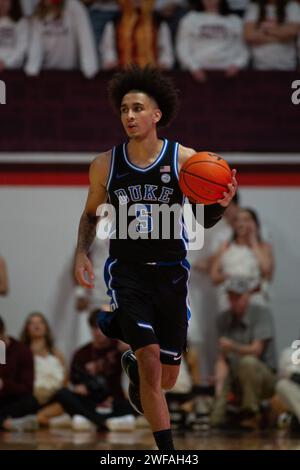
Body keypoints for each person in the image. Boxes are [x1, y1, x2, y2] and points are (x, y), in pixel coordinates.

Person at [74, 65, 237, 450]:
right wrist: (82, 252)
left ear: (156, 114)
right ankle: (167, 454)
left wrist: (220, 205)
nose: (129, 116)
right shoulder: (104, 164)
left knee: (166, 379)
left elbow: (202, 219)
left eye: (137, 108)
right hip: (127, 272)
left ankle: (130, 360)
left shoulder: (185, 159)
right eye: (124, 109)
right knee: (148, 359)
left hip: (171, 275)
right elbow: (90, 214)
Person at [211, 276, 277, 429]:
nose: (234, 301)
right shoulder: (223, 319)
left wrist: (233, 346)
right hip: (235, 377)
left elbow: (256, 350)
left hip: (264, 378)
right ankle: (218, 415)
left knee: (248, 362)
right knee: (215, 420)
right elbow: (222, 357)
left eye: (238, 296)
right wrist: (219, 382)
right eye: (231, 296)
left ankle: (251, 413)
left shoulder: (261, 314)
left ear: (248, 296)